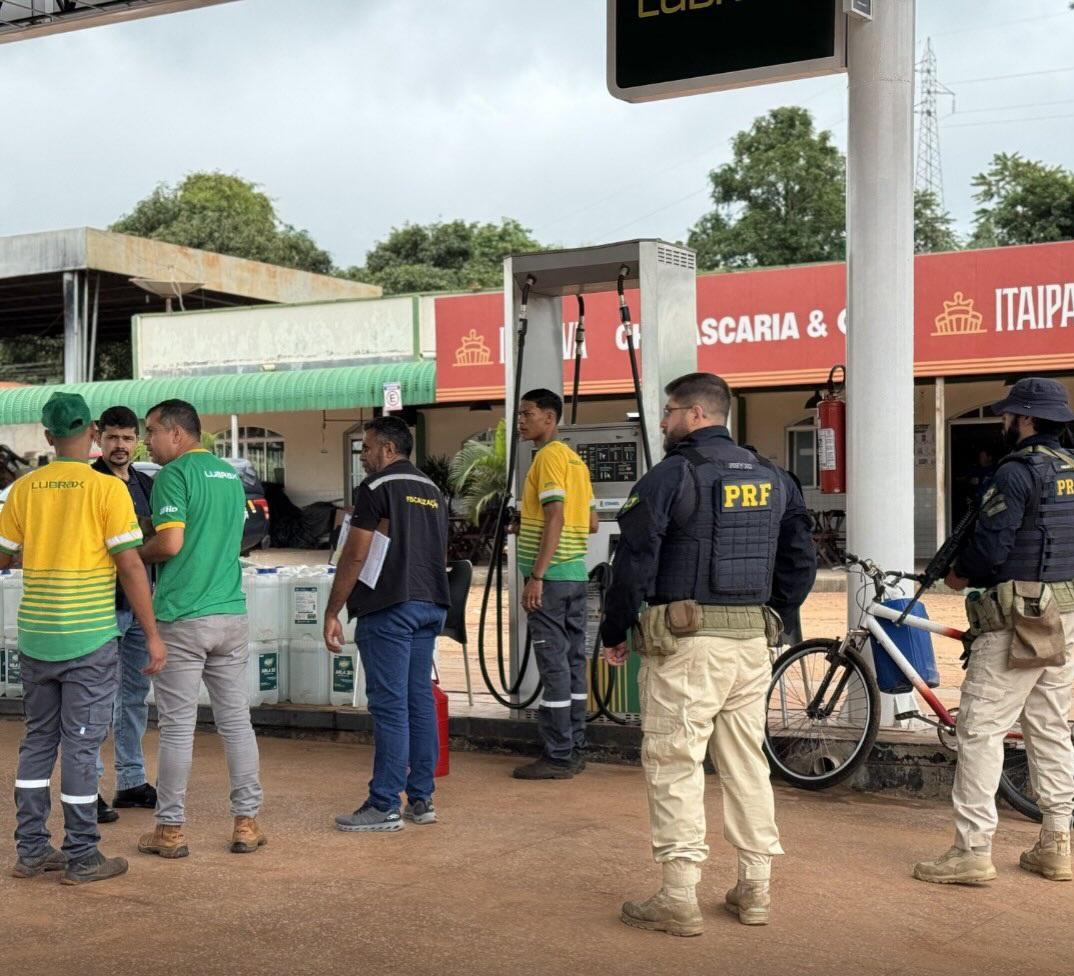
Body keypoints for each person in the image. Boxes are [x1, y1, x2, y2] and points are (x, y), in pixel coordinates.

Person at [600, 372, 816, 937]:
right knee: (746, 762)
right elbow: (801, 561)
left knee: (675, 761)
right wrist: (778, 615)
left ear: (696, 414)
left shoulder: (673, 474)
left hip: (689, 646)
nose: (664, 422)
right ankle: (755, 888)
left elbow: (634, 560)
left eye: (669, 412)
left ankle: (677, 897)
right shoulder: (775, 476)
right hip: (751, 644)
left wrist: (615, 629)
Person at [915, 377, 1074, 885]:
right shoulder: (1071, 469)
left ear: (1024, 419)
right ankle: (1056, 843)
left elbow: (988, 550)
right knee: (1050, 726)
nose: (1004, 422)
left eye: (1009, 415)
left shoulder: (1016, 472)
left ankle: (972, 849)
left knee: (980, 730)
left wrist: (960, 575)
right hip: (1064, 616)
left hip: (1015, 620)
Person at [3, 393, 165, 885]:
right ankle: (81, 856)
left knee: (36, 742)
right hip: (90, 637)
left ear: (48, 436)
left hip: (36, 636)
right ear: (92, 434)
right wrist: (153, 635)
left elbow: (4, 555)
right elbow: (131, 566)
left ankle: (31, 849)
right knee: (80, 745)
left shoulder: (24, 489)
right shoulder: (106, 491)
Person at [136, 400, 266, 859]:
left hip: (183, 616)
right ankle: (246, 823)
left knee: (176, 729)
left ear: (175, 433)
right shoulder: (229, 474)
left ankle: (170, 830)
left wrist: (132, 557)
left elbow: (171, 543)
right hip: (230, 613)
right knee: (236, 723)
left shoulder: (172, 475)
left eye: (151, 431)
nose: (145, 441)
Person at [325, 416, 450, 832]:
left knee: (390, 705)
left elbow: (355, 555)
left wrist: (333, 609)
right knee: (418, 701)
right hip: (430, 604)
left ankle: (383, 804)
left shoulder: (377, 488)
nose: (363, 457)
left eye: (367, 448)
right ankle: (421, 798)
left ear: (388, 450)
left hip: (389, 608)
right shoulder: (433, 490)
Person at [511, 389, 597, 780]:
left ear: (550, 417)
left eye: (528, 413)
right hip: (576, 574)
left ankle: (558, 754)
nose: (521, 421)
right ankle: (577, 745)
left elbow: (556, 516)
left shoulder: (547, 458)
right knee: (575, 663)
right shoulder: (576, 461)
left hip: (552, 579)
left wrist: (538, 575)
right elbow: (591, 522)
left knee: (554, 667)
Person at [92, 405, 158, 824]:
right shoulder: (90, 481)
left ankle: (131, 780)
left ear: (137, 441)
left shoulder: (146, 483)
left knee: (134, 695)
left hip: (141, 607)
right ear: (99, 438)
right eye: (113, 438)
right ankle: (88, 787)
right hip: (100, 606)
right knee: (97, 700)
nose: (120, 446)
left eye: (128, 438)